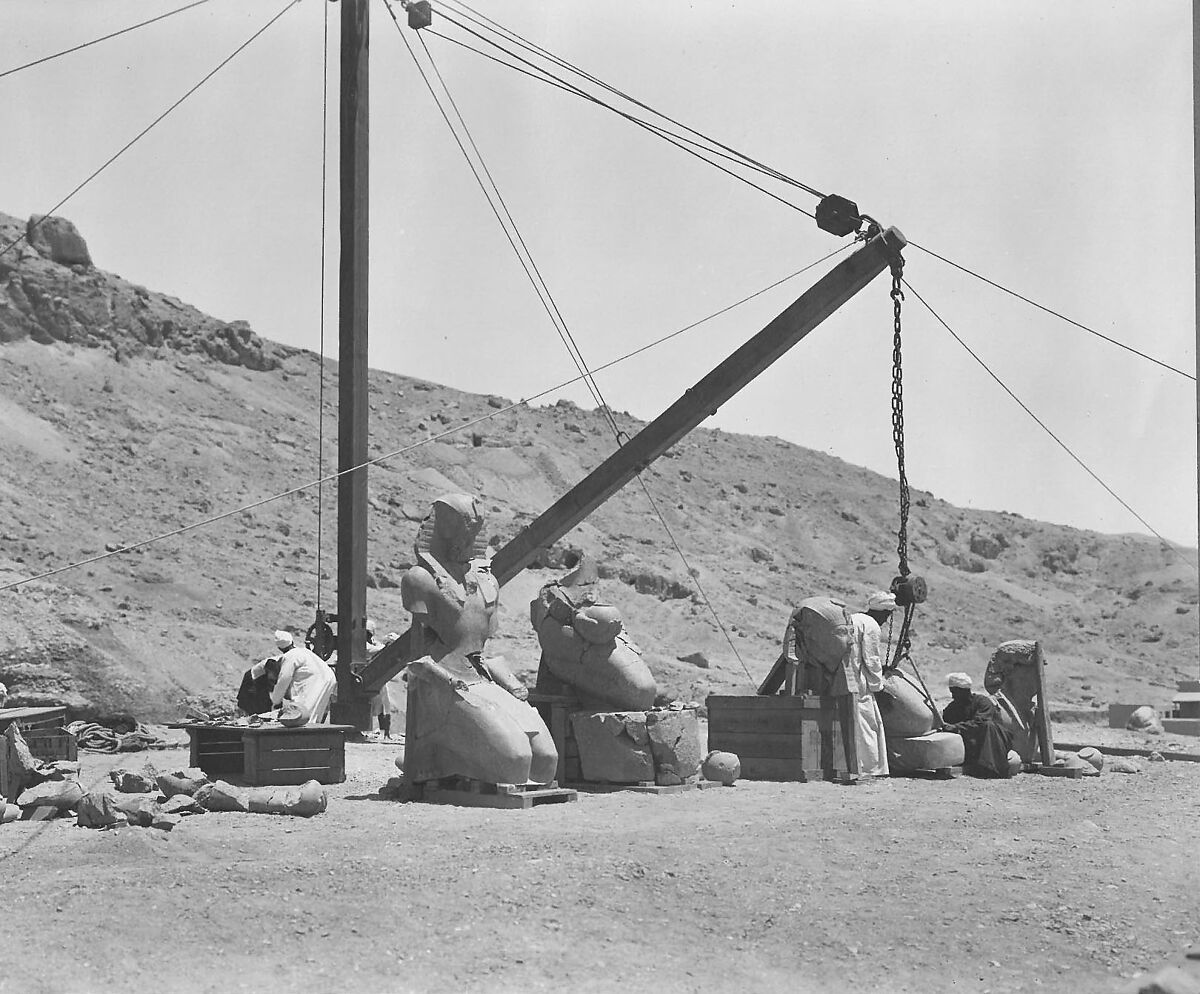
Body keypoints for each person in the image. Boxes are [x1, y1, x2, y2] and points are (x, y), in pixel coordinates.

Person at [400, 493, 556, 785]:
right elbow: (422, 653)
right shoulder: (420, 579)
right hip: (445, 682)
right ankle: (440, 760)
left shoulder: (486, 580)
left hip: (482, 678)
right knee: (516, 762)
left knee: (546, 762)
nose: (467, 540)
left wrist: (508, 681)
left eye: (473, 531)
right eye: (460, 531)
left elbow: (482, 650)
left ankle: (457, 758)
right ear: (442, 530)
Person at [847, 591, 894, 777]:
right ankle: (870, 768)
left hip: (844, 676)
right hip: (859, 681)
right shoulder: (871, 625)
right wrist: (878, 686)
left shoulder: (854, 618)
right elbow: (871, 658)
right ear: (884, 613)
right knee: (868, 724)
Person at [941, 672, 1014, 777]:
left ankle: (992, 767)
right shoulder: (953, 707)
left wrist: (956, 727)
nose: (952, 695)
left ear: (964, 691)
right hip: (971, 744)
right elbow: (946, 721)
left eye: (954, 692)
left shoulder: (982, 702)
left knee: (988, 725)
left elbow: (980, 722)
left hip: (994, 740)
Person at [269, 629, 337, 726]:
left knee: (302, 713)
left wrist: (276, 700)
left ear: (279, 648)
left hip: (315, 680)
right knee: (316, 713)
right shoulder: (304, 651)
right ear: (292, 641)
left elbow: (284, 679)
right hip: (329, 678)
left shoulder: (289, 656)